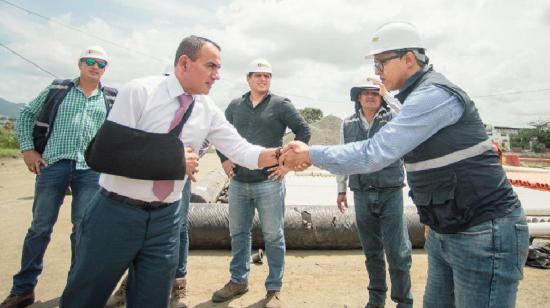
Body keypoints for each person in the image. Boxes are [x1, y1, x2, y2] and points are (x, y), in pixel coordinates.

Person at [282, 21, 529, 308]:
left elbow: (374, 153)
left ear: (409, 59)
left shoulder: (434, 95)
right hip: (445, 230)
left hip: (483, 233)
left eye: (381, 63)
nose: (377, 73)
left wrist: (310, 154)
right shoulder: (413, 100)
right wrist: (432, 221)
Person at [59, 36, 281, 308]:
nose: (217, 76)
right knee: (84, 297)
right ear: (185, 63)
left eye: (218, 68)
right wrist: (173, 158)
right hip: (115, 214)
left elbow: (242, 151)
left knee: (153, 300)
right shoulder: (140, 91)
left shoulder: (207, 109)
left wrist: (283, 156)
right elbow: (106, 153)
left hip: (166, 219)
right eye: (211, 66)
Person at [1, 46, 113, 308]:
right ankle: (23, 290)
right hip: (54, 165)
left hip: (90, 170)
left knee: (83, 231)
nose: (95, 66)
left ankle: (76, 291)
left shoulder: (109, 98)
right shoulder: (59, 90)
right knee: (40, 227)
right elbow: (27, 114)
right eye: (90, 61)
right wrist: (28, 149)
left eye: (101, 63)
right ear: (80, 64)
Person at [211, 58, 310, 308]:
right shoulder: (235, 105)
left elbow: (304, 131)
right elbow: (219, 134)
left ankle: (273, 289)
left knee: (273, 235)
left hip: (269, 182)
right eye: (258, 75)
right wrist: (224, 160)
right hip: (238, 182)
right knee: (238, 233)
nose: (263, 79)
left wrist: (286, 165)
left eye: (267, 76)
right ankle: (238, 281)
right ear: (248, 78)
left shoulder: (281, 105)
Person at [336, 80, 412, 308]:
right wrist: (341, 189)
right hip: (361, 192)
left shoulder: (393, 119)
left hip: (390, 192)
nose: (370, 96)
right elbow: (342, 158)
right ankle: (376, 299)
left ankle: (403, 301)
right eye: (365, 93)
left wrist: (388, 94)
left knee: (397, 251)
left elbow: (410, 114)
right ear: (358, 98)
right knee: (372, 251)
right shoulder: (347, 124)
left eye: (375, 93)